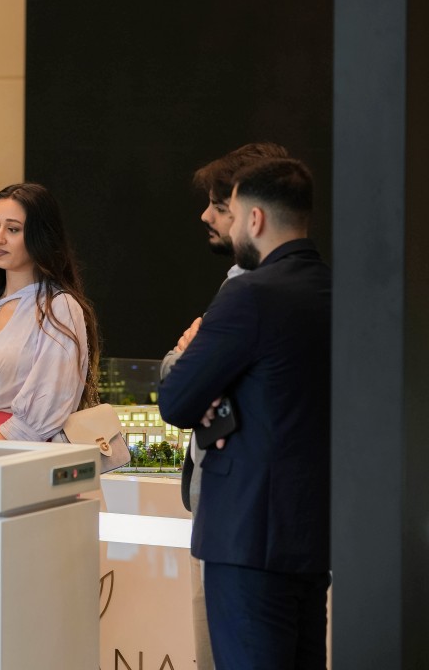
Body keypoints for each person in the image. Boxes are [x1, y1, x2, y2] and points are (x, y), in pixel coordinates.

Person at [159, 158, 331, 670]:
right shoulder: (334, 291)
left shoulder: (249, 294)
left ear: (254, 219)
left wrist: (196, 361)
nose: (228, 227)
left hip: (245, 537)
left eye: (231, 215)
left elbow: (177, 401)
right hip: (312, 534)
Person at [0, 183, 100, 441]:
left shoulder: (59, 307)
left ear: (40, 236)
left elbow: (48, 403)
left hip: (19, 450)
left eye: (13, 229)